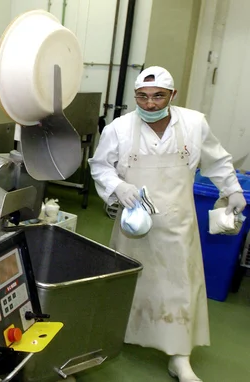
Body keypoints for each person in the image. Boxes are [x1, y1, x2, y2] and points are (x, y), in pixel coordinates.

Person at [88, 66, 247, 382]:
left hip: (177, 224)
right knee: (128, 283)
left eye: (158, 96)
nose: (149, 104)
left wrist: (232, 189)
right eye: (142, 97)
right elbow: (100, 167)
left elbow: (217, 160)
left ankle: (179, 357)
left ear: (172, 95)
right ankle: (114, 338)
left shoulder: (193, 124)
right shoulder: (118, 129)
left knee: (178, 288)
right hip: (133, 225)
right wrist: (119, 187)